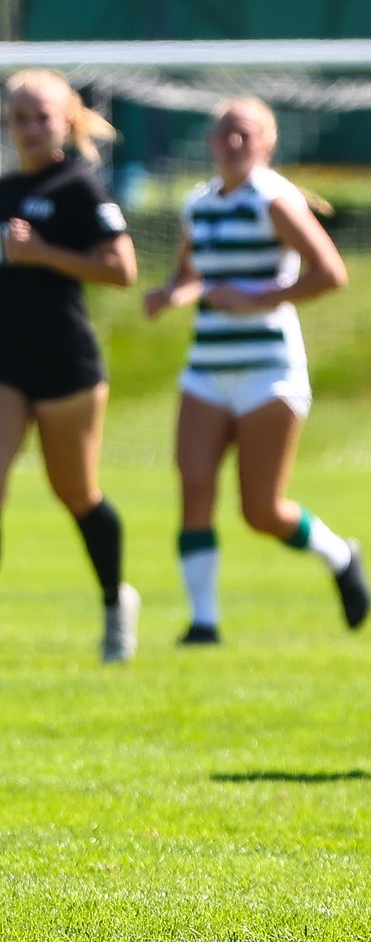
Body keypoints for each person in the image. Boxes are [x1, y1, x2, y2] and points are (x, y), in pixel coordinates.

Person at [0, 68, 139, 668]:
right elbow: (10, 263)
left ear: (66, 119)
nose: (29, 127)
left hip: (63, 360)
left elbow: (122, 270)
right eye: (19, 117)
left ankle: (115, 602)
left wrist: (43, 252)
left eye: (41, 116)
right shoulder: (5, 188)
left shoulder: (82, 187)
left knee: (75, 491)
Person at [143, 96, 368, 642]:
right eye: (226, 133)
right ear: (210, 142)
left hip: (268, 369)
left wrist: (261, 298)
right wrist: (171, 294)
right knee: (194, 486)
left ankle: (340, 555)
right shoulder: (198, 204)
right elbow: (189, 272)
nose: (234, 142)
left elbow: (329, 272)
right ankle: (203, 622)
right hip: (206, 367)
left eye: (246, 134)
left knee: (261, 510)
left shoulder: (274, 199)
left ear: (268, 144)